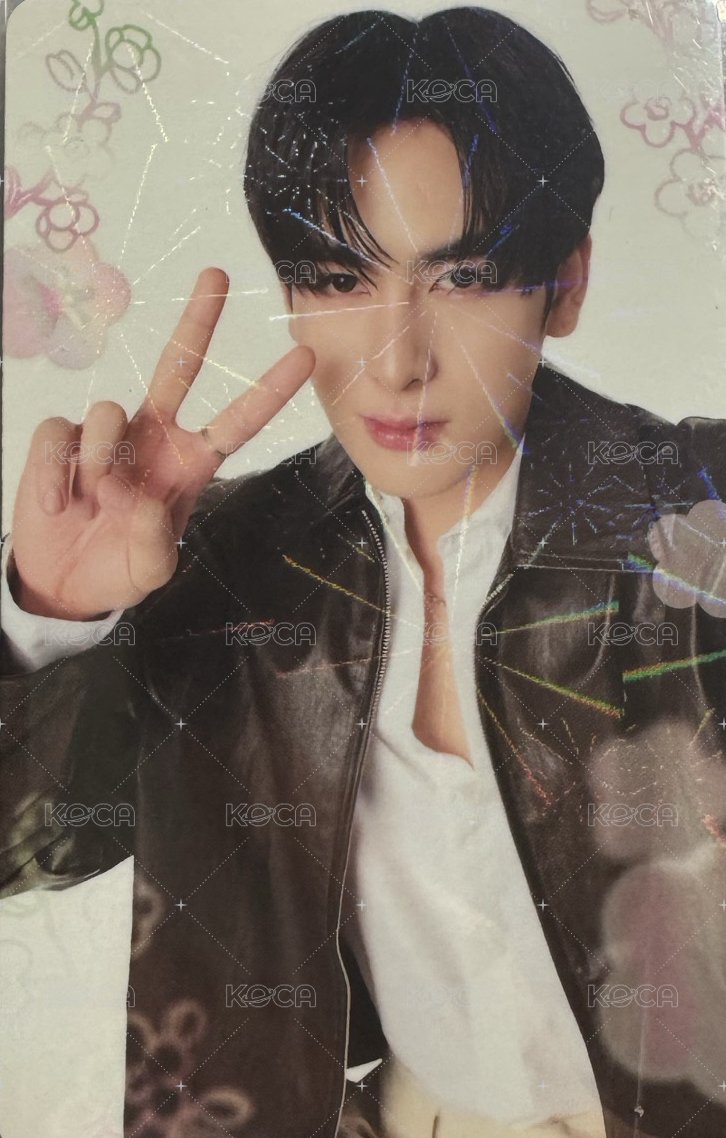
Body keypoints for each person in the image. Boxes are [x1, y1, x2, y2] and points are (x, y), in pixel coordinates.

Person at [2, 7, 726, 1138]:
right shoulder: (229, 563)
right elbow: (26, 849)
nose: (397, 360)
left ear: (566, 282)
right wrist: (51, 613)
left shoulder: (699, 515)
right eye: (340, 278)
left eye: (466, 275)